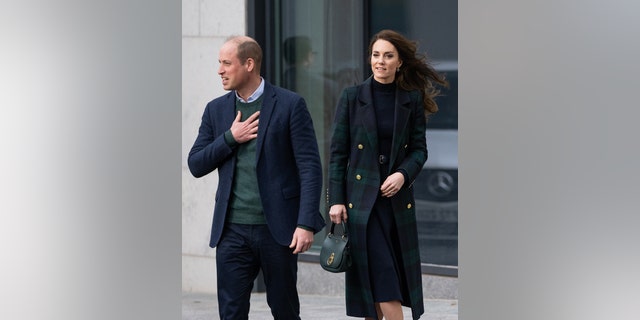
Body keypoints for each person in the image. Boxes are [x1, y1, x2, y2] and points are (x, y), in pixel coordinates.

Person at [188, 35, 325, 320]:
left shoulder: (290, 105)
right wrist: (230, 138)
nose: (220, 71)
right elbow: (196, 164)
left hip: (278, 230)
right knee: (231, 313)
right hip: (231, 231)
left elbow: (310, 167)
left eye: (227, 63)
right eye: (219, 63)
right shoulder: (216, 110)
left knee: (285, 310)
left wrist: (305, 223)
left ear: (249, 64)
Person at [327, 29, 448, 320]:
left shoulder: (411, 100)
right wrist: (336, 200)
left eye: (388, 56)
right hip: (360, 205)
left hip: (394, 205)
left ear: (399, 62)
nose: (380, 61)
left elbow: (419, 150)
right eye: (375, 55)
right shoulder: (352, 97)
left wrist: (403, 175)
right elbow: (337, 154)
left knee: (376, 288)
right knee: (383, 286)